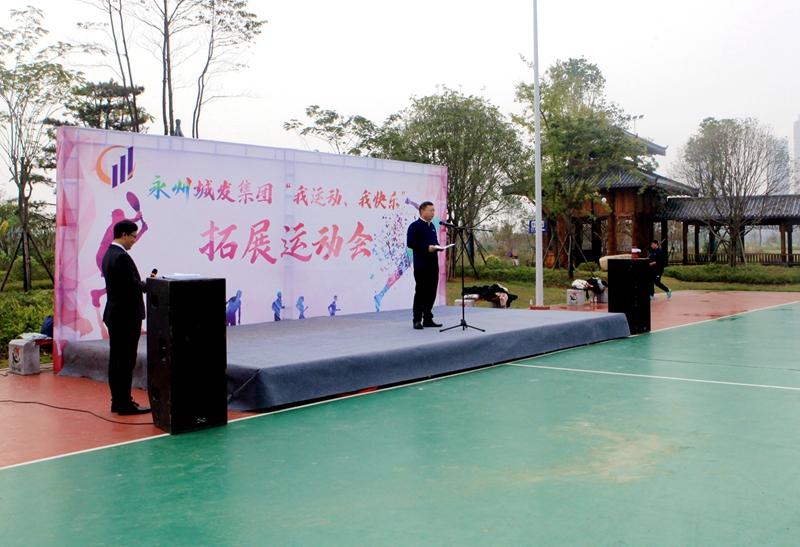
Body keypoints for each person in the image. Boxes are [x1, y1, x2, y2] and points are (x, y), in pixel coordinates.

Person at [102, 219, 150, 415]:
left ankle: (118, 401)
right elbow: (131, 285)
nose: (134, 241)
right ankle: (124, 403)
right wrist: (148, 284)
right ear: (124, 235)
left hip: (115, 314)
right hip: (125, 316)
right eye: (133, 237)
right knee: (125, 360)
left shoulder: (109, 254)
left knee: (116, 359)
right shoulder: (121, 257)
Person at [406, 201, 444, 329]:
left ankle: (428, 318)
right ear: (422, 211)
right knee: (421, 292)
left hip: (433, 264)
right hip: (421, 265)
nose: (433, 213)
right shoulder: (415, 226)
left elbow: (434, 241)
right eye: (430, 210)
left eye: (434, 211)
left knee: (431, 292)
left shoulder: (432, 226)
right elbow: (411, 243)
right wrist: (427, 247)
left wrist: (438, 247)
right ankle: (417, 319)